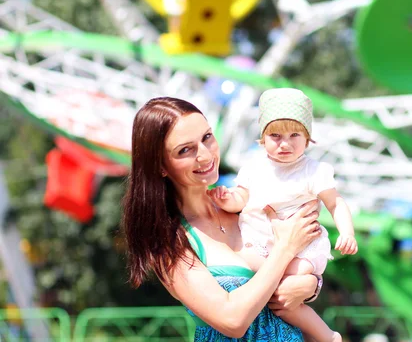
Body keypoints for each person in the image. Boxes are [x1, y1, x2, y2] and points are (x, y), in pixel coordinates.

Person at [121, 96, 325, 341]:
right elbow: (232, 320)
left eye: (207, 137)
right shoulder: (168, 240)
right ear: (160, 166)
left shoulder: (246, 201)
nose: (205, 156)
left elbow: (306, 258)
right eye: (185, 150)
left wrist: (312, 284)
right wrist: (285, 248)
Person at [208, 88, 358, 342]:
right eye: (275, 135)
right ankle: (330, 336)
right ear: (263, 138)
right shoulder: (254, 168)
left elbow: (335, 203)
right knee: (276, 297)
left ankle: (325, 335)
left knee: (289, 285)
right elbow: (241, 198)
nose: (285, 143)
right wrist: (226, 198)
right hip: (260, 245)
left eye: (294, 135)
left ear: (308, 138)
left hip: (302, 249)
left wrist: (347, 232)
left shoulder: (314, 171)